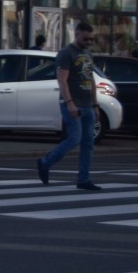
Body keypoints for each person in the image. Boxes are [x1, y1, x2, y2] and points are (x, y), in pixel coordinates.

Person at [37, 21, 100, 191]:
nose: (88, 42)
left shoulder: (87, 54)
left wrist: (95, 104)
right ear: (77, 34)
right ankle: (45, 162)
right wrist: (70, 103)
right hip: (73, 103)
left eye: (91, 39)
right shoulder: (66, 53)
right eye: (86, 39)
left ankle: (83, 179)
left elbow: (91, 80)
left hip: (87, 104)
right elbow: (62, 81)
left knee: (88, 143)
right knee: (74, 139)